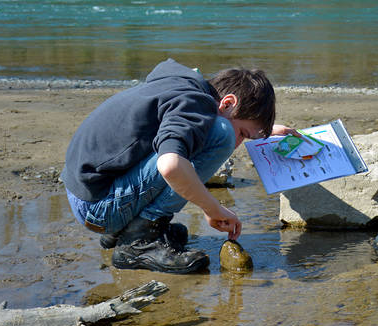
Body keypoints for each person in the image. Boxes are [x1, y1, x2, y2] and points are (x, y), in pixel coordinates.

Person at [61, 58, 298, 274]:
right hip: (98, 208)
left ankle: (126, 228)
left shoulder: (183, 86)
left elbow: (184, 123)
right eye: (243, 134)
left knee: (208, 134)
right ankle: (139, 240)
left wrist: (263, 132)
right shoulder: (196, 105)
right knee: (221, 134)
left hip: (87, 189)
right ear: (226, 103)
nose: (239, 144)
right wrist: (213, 208)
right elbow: (170, 166)